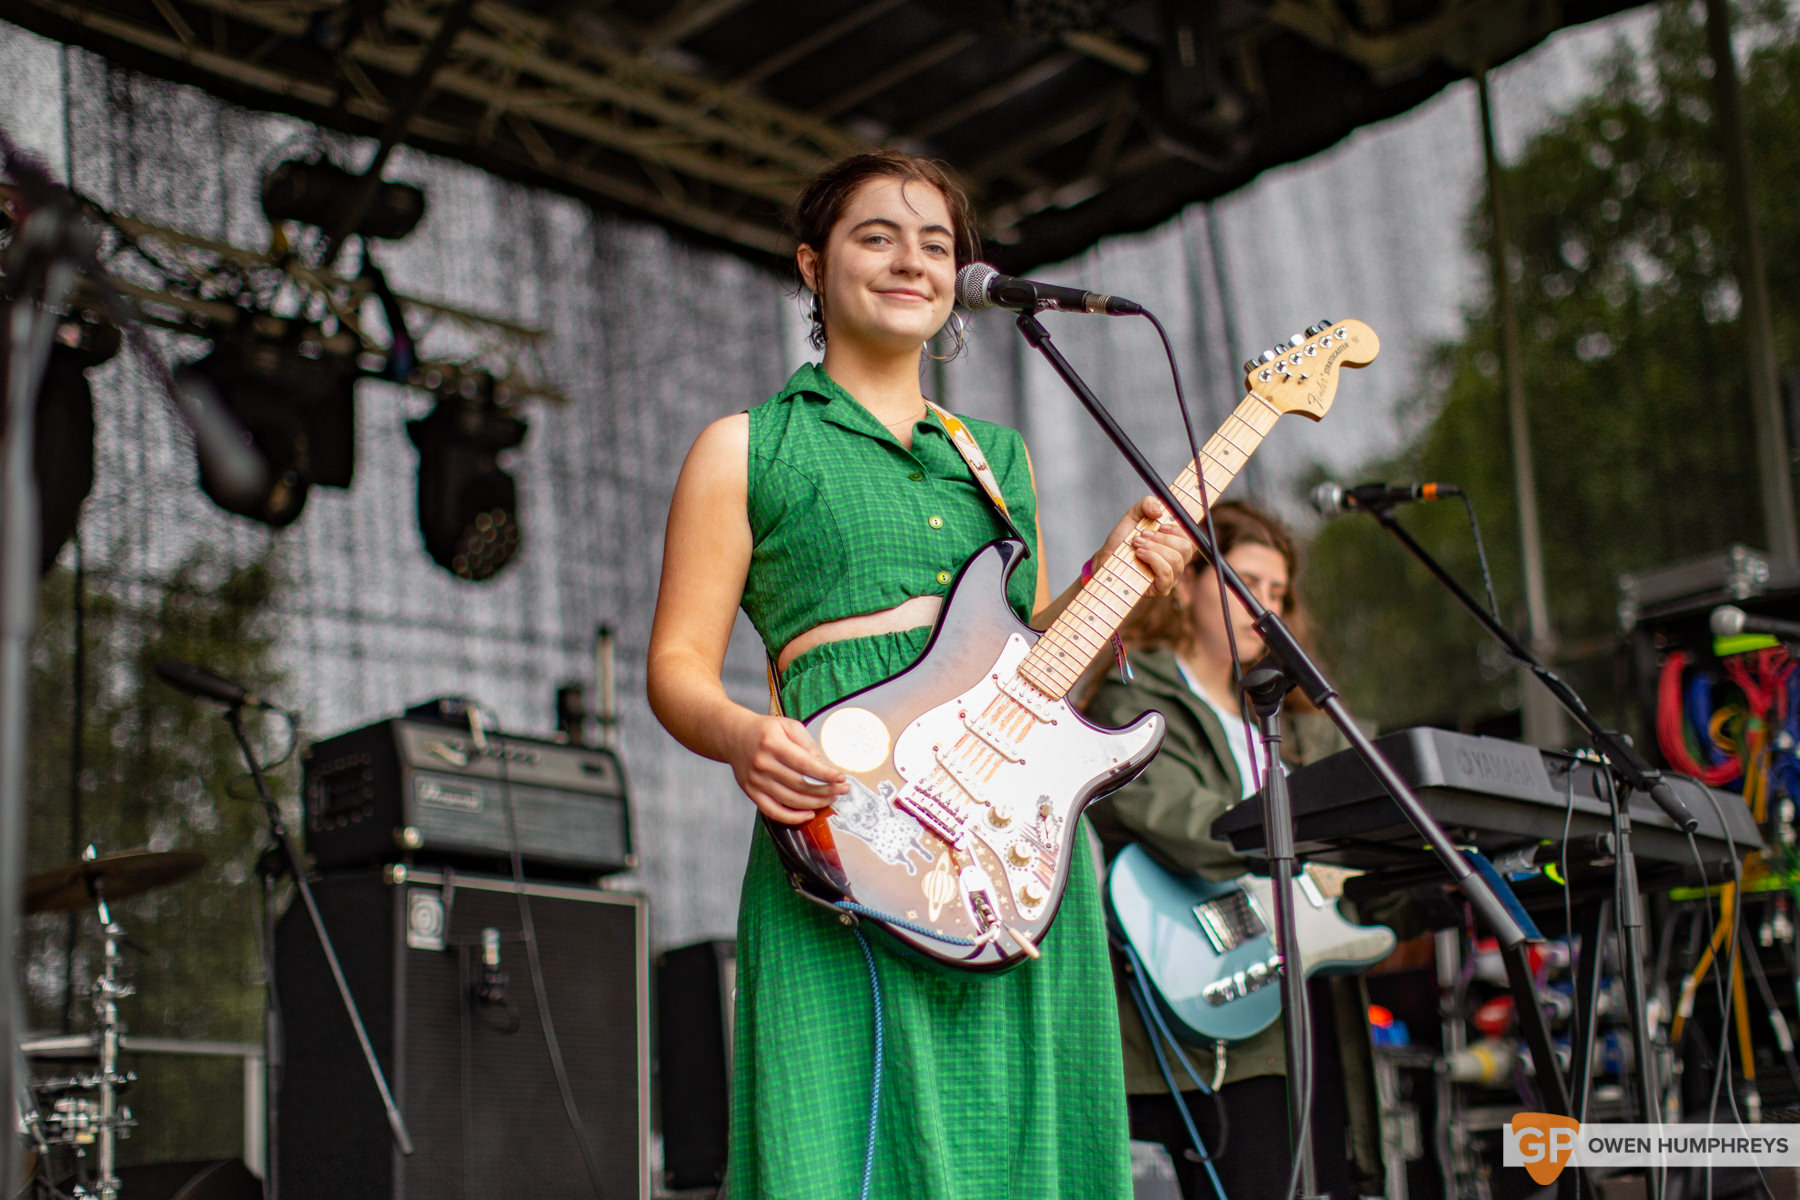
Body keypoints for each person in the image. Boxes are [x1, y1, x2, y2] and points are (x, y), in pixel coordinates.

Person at [645, 149, 1195, 1200]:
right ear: (812, 265)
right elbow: (677, 664)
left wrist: (1115, 574)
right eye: (877, 236)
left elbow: (1032, 681)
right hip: (847, 843)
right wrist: (738, 734)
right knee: (839, 1140)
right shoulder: (744, 447)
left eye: (937, 244)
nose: (913, 261)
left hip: (1009, 863)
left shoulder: (996, 457)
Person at [1083, 500, 1383, 1200]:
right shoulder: (1133, 699)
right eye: (1246, 583)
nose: (1264, 607)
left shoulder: (1292, 718)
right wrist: (1315, 839)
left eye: (1277, 593)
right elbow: (1184, 823)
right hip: (1208, 1011)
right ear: (1185, 585)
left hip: (1301, 1004)